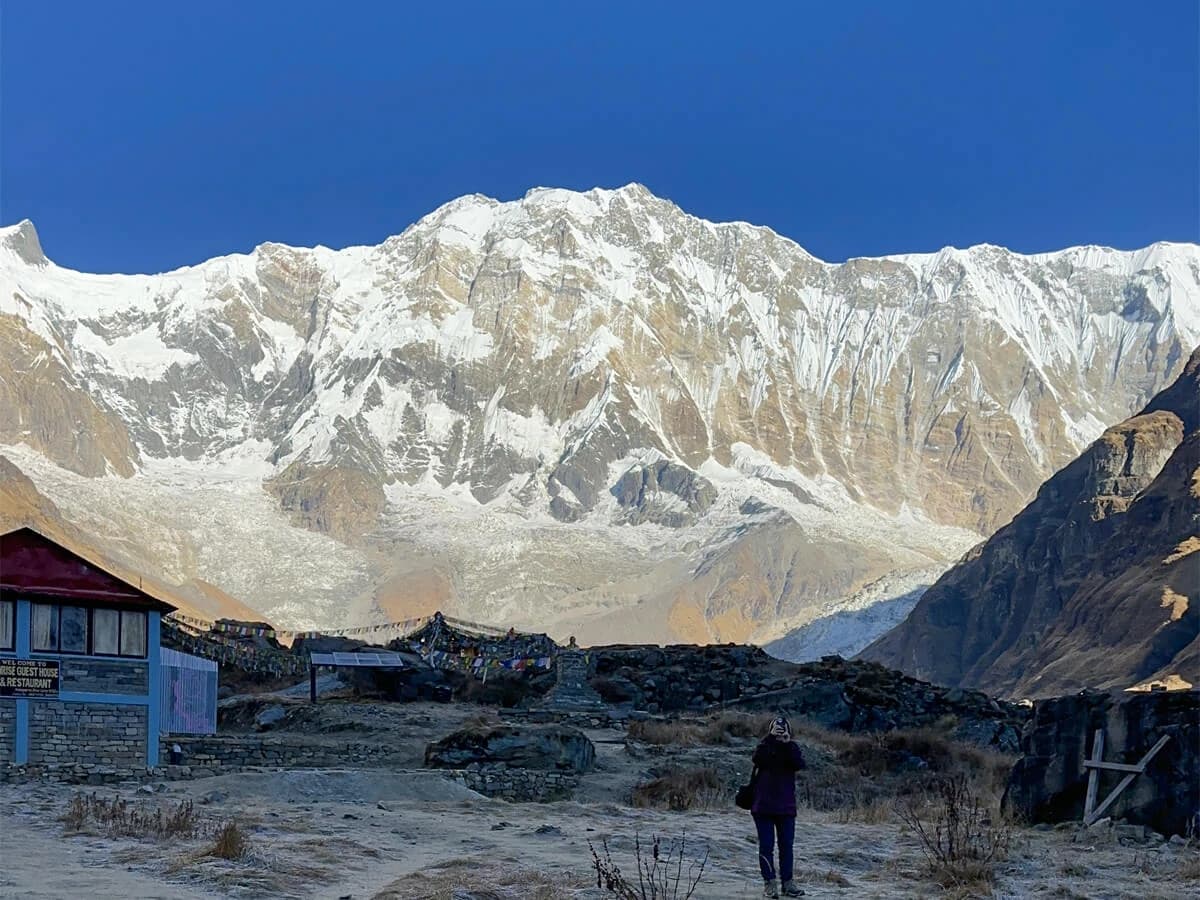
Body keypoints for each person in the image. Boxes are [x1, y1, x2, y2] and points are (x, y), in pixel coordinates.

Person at [751, 716, 806, 898]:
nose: (780, 732)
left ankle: (788, 883)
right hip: (763, 806)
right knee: (766, 847)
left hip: (786, 807)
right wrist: (770, 739)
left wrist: (787, 744)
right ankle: (770, 884)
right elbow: (758, 759)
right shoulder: (764, 747)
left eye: (783, 729)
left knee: (786, 847)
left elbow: (799, 764)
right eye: (776, 729)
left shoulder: (792, 748)